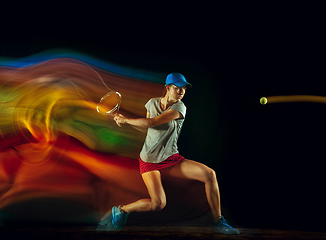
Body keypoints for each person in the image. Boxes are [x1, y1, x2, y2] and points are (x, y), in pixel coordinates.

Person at [99, 73, 239, 234]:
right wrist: (126, 122)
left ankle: (218, 222)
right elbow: (147, 127)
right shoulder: (151, 103)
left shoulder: (180, 107)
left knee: (210, 174)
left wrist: (126, 120)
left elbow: (153, 122)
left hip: (171, 159)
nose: (181, 92)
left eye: (184, 89)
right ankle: (122, 210)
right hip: (148, 160)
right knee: (158, 204)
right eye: (177, 88)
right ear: (167, 88)